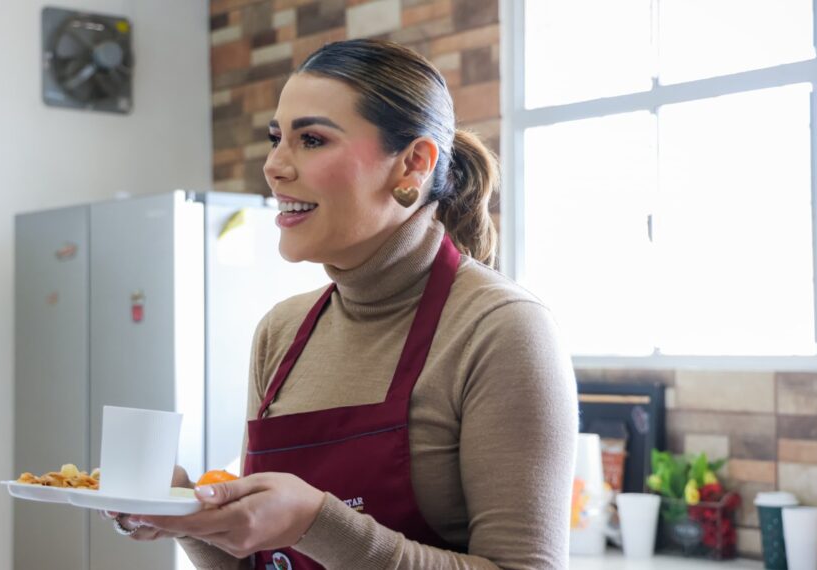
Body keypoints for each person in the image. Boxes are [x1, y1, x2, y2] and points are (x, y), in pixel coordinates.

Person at [105, 38, 578, 569]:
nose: (275, 166)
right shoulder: (280, 332)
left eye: (311, 139)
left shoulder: (500, 329)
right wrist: (186, 516)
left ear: (412, 165)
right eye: (275, 138)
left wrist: (315, 524)